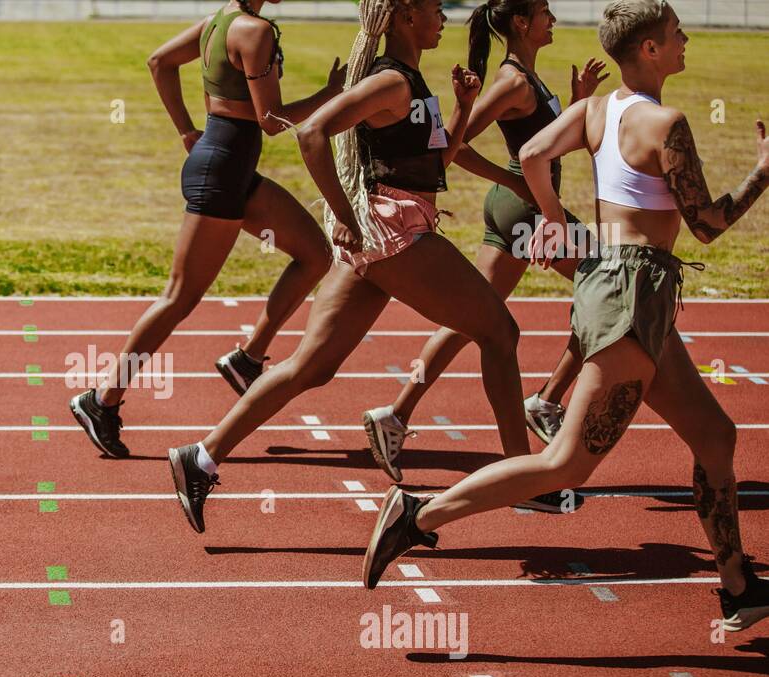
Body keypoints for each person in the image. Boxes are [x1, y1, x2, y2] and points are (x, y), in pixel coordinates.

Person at [365, 0, 769, 632]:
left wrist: (553, 218)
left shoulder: (596, 109)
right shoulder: (667, 123)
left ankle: (738, 585)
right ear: (650, 51)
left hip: (626, 289)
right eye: (675, 33)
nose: (686, 37)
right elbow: (709, 225)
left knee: (716, 437)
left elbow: (531, 157)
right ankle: (417, 514)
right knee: (566, 465)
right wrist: (763, 174)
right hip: (634, 295)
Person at [169, 0, 572, 534]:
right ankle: (526, 478)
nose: (443, 18)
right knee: (500, 330)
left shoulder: (408, 79)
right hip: (395, 234)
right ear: (405, 17)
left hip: (381, 236)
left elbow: (437, 159)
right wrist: (340, 214)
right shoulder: (391, 82)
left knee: (310, 367)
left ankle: (201, 456)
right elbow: (312, 133)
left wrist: (460, 106)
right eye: (433, 9)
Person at [71, 0, 345, 458]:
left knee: (316, 253)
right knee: (179, 297)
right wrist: (330, 95)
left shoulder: (219, 21)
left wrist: (185, 131)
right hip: (221, 173)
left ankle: (248, 358)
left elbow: (159, 62)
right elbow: (270, 120)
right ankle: (102, 401)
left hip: (230, 169)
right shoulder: (254, 31)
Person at [363, 0, 609, 482]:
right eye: (544, 12)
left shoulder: (529, 77)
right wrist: (514, 181)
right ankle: (547, 400)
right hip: (528, 209)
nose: (553, 19)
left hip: (519, 205)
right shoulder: (513, 81)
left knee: (467, 318)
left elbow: (551, 140)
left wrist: (579, 100)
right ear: (521, 23)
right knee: (612, 288)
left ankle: (395, 414)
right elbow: (452, 145)